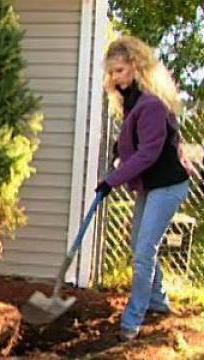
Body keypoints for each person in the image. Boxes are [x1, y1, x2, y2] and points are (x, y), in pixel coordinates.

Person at [96, 35, 191, 341]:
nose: (115, 78)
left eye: (120, 70)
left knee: (143, 251)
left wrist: (112, 179)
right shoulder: (133, 100)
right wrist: (116, 151)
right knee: (139, 243)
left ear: (136, 67)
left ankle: (133, 317)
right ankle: (159, 300)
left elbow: (148, 153)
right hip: (151, 185)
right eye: (112, 72)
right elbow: (131, 138)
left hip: (168, 184)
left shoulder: (150, 103)